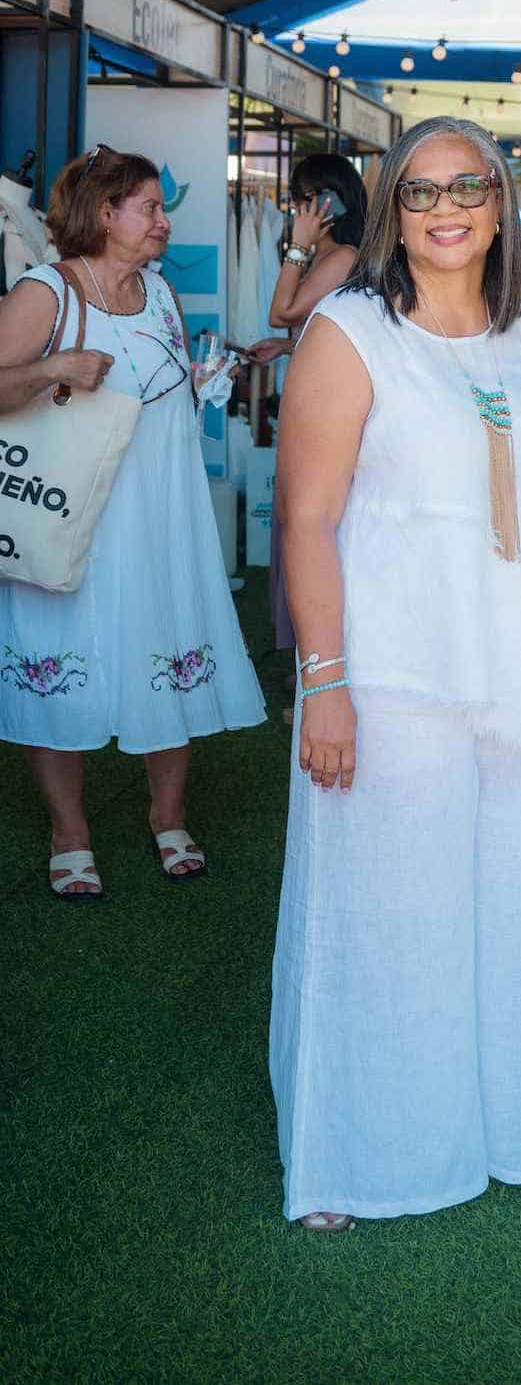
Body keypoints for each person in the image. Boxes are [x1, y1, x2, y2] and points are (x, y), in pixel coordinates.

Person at [268, 116, 521, 1232]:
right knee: (384, 910)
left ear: (501, 203)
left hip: (515, 670)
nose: (447, 208)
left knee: (500, 908)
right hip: (395, 668)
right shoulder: (350, 332)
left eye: (470, 187)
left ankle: (492, 1128)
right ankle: (358, 1154)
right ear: (393, 208)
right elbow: (305, 516)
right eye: (421, 190)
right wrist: (328, 681)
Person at [0, 145, 264, 896]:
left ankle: (168, 816)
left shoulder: (159, 295)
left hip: (161, 516)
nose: (163, 222)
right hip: (74, 516)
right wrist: (53, 368)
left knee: (169, 641)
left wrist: (205, 385)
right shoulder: (47, 291)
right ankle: (69, 831)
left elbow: (162, 395)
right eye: (149, 207)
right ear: (105, 213)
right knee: (58, 650)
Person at [245, 155, 367, 670]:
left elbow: (283, 309)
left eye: (300, 200)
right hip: (315, 397)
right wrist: (287, 344)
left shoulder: (339, 256)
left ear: (327, 203)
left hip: (322, 411)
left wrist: (297, 243)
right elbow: (308, 326)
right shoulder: (336, 258)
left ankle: (314, 664)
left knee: (308, 525)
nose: (294, 209)